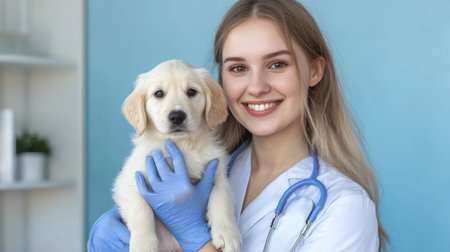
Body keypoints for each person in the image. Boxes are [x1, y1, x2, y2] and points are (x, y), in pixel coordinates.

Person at [88, 0, 388, 251]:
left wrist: (195, 237)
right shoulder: (216, 168)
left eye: (277, 64)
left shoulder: (345, 207)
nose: (256, 87)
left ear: (315, 71)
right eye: (238, 68)